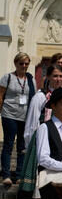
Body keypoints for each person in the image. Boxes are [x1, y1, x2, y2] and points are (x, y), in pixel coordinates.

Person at [19, 65, 62, 199]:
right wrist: (29, 143)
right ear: (48, 77)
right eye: (55, 76)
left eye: (61, 76)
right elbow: (32, 120)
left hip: (58, 143)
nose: (58, 79)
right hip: (41, 139)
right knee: (38, 183)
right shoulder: (40, 97)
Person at [0, 52, 36, 185]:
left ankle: (20, 175)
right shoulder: (7, 77)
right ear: (16, 63)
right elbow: (0, 96)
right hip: (9, 115)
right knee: (9, 145)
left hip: (25, 117)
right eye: (22, 63)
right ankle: (6, 175)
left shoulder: (31, 80)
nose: (24, 66)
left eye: (27, 63)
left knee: (22, 146)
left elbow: (34, 99)